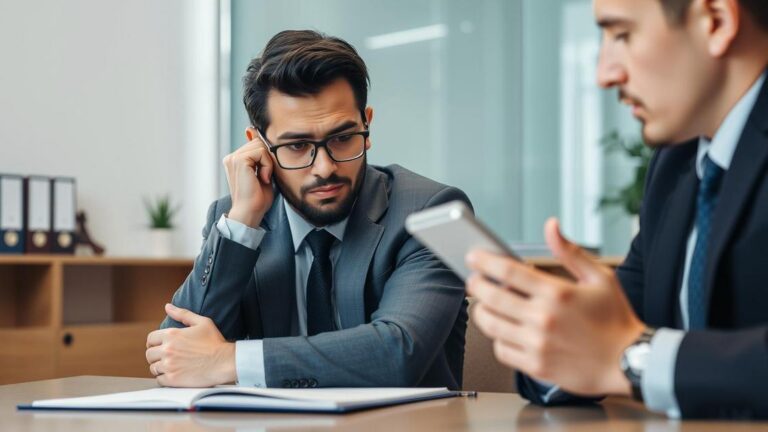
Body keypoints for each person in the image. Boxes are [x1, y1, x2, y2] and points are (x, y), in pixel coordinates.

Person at [466, 0, 768, 419]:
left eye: (622, 35)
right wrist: (551, 336)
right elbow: (615, 321)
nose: (604, 74)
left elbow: (620, 347)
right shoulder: (676, 164)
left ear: (716, 21)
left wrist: (630, 357)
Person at [145, 30, 470, 390]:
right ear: (258, 145)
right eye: (298, 145)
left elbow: (399, 353)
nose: (325, 168)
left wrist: (228, 360)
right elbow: (175, 353)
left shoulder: (433, 213)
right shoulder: (238, 218)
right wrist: (242, 223)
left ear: (367, 124)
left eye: (342, 138)